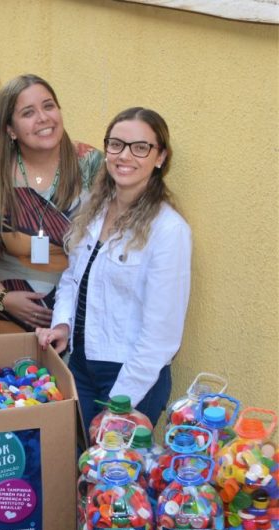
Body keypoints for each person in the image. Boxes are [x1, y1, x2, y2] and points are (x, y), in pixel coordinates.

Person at [37, 107, 190, 428]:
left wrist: (119, 406)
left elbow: (161, 338)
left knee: (114, 475)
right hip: (80, 364)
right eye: (116, 144)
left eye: (141, 147)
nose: (125, 156)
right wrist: (62, 324)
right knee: (83, 467)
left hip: (131, 377)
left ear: (160, 157)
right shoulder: (93, 211)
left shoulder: (168, 230)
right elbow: (71, 279)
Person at [0, 75, 103, 333]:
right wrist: (2, 299)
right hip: (6, 316)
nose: (43, 118)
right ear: (10, 129)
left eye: (48, 106)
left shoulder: (90, 164)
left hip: (76, 318)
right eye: (28, 113)